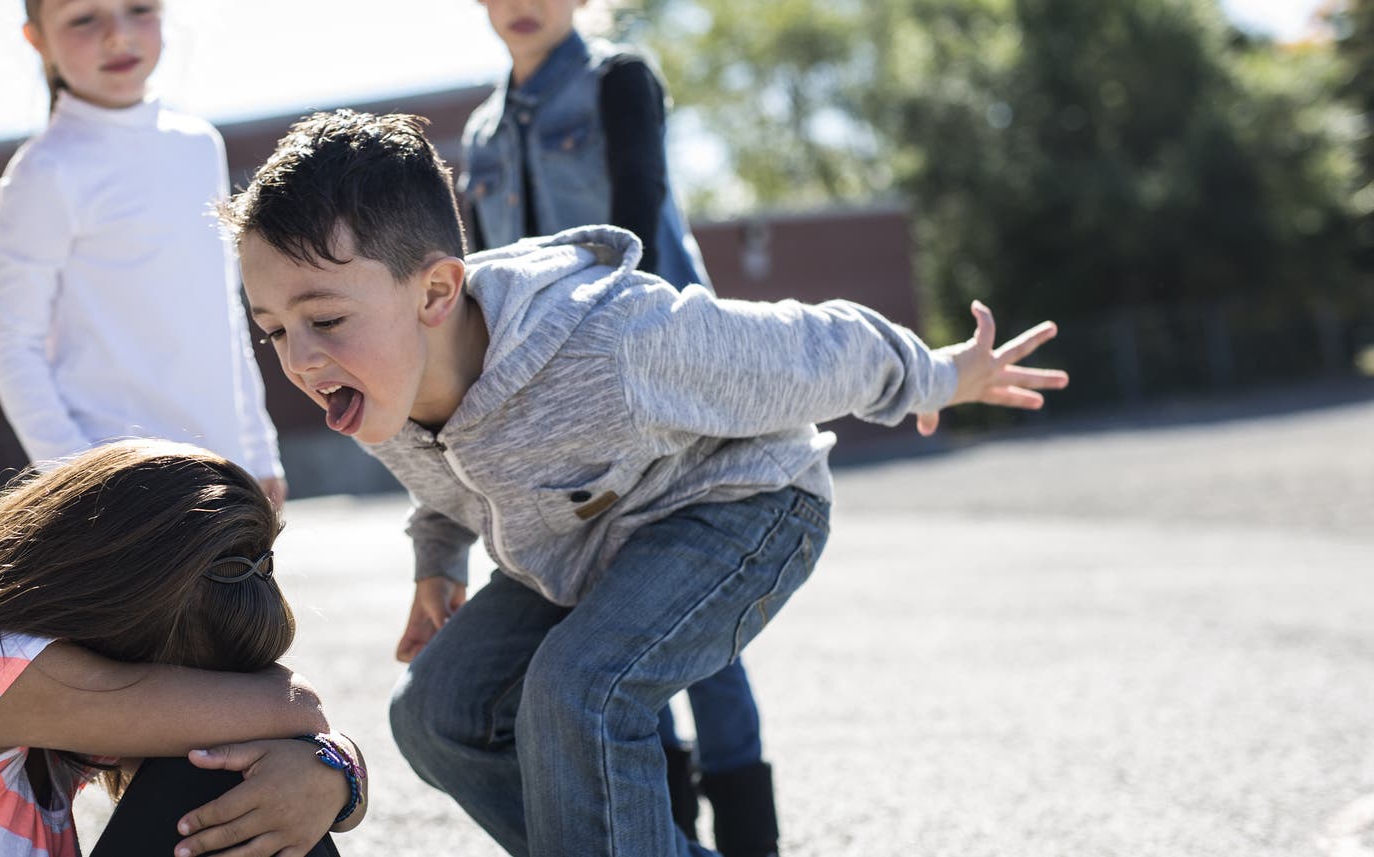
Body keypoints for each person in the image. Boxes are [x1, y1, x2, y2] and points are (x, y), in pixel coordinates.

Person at [223, 110, 1067, 857]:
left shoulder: (613, 342)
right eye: (273, 331)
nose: (299, 357)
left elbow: (806, 347)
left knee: (577, 691)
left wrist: (939, 374)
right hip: (586, 544)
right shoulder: (382, 383)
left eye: (324, 317)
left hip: (742, 508)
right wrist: (436, 560)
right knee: (436, 710)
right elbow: (442, 483)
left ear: (437, 290)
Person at [458, 1, 763, 848]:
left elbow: (642, 213)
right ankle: (666, 829)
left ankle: (749, 836)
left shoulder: (619, 81)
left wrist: (652, 381)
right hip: (555, 409)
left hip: (661, 376)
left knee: (695, 616)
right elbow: (484, 286)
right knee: (615, 614)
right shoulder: (479, 136)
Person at [0, 440, 368, 857]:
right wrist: (326, 760)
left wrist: (330, 775)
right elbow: (299, 710)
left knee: (246, 770)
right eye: (183, 678)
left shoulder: (10, 671)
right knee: (214, 776)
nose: (194, 699)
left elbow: (284, 731)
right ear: (121, 612)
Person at [0, 0, 286, 506]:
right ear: (38, 40)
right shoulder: (45, 170)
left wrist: (258, 451)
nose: (116, 35)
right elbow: (13, 343)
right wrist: (81, 481)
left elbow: (222, 311)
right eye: (83, 18)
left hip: (226, 471)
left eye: (138, 8)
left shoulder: (198, 145)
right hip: (124, 489)